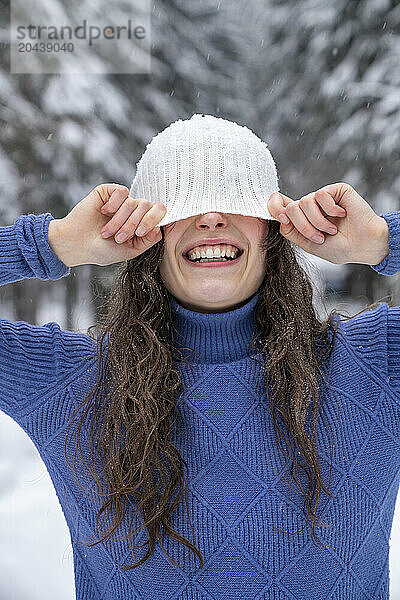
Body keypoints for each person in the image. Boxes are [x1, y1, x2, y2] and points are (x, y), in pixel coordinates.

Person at [0, 113, 398, 600]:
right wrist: (51, 244)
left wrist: (382, 240)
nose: (211, 218)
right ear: (147, 234)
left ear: (272, 231)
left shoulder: (376, 367)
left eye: (236, 198)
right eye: (183, 202)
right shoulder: (68, 383)